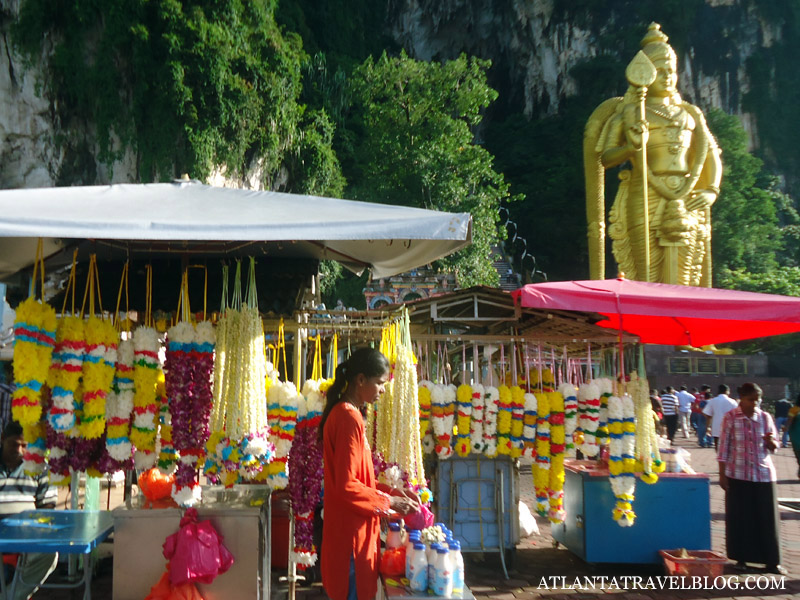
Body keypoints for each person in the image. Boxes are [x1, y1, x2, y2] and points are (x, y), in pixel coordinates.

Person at [586, 22, 722, 286]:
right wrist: (631, 147)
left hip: (686, 193)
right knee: (645, 271)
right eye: (660, 71)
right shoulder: (631, 112)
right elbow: (605, 158)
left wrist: (711, 190)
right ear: (645, 75)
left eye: (671, 71)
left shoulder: (692, 113)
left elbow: (710, 154)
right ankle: (646, 322)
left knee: (686, 272)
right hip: (645, 192)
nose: (667, 76)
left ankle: (682, 322)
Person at [318, 348, 419, 600]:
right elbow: (347, 486)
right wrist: (390, 502)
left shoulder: (350, 414)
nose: (382, 390)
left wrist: (394, 492)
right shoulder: (347, 417)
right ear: (360, 380)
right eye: (379, 383)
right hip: (350, 537)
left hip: (352, 531)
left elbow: (360, 479)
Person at [717, 383, 786, 575]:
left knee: (767, 519)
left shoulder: (765, 418)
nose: (755, 403)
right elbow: (723, 448)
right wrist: (722, 475)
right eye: (751, 399)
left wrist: (771, 442)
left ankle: (772, 561)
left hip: (763, 475)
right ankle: (742, 558)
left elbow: (775, 445)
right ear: (741, 398)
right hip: (738, 474)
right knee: (741, 518)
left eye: (758, 399)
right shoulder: (730, 418)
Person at [0, 420, 59, 599]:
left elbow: (47, 508)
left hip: (27, 537)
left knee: (50, 554)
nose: (19, 450)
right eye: (14, 444)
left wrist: (33, 530)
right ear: (2, 439)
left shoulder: (40, 468)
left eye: (24, 446)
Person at [703, 384, 737, 450]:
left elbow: (707, 414)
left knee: (718, 447)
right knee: (729, 447)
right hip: (730, 427)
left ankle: (719, 458)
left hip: (716, 427)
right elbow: (737, 415)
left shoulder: (713, 401)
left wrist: (708, 426)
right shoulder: (732, 402)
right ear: (727, 391)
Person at [787, 394, 800, 478]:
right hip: (796, 435)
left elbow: (789, 422)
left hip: (795, 435)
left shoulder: (794, 409)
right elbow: (789, 421)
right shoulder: (794, 410)